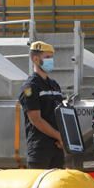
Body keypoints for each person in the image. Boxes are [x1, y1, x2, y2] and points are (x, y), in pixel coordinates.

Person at [19, 41, 64, 169]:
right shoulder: (30, 87)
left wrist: (63, 139)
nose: (51, 61)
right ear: (35, 59)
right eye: (47, 57)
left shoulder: (54, 85)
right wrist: (59, 136)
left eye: (52, 57)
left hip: (57, 148)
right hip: (40, 149)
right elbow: (36, 119)